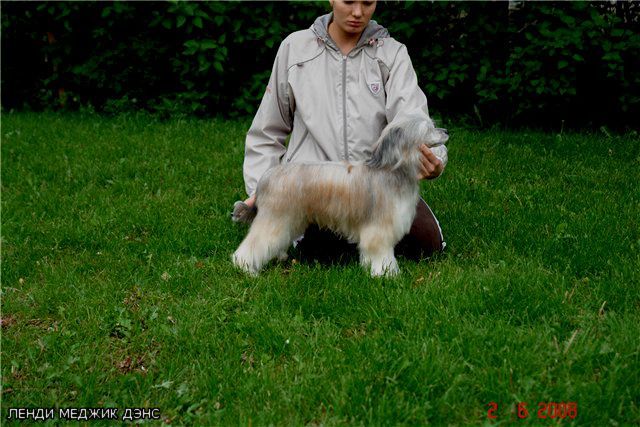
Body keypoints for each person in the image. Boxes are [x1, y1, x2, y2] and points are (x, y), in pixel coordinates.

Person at [241, 0, 448, 260]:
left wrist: (435, 159)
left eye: (368, 2)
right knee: (326, 250)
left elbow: (414, 121)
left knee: (427, 244)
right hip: (310, 187)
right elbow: (266, 133)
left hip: (380, 185)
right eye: (348, 1)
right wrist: (261, 191)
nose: (358, 12)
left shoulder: (393, 54)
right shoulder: (294, 49)